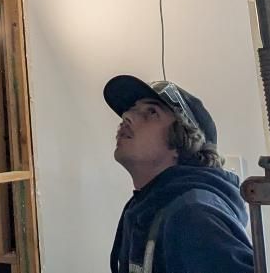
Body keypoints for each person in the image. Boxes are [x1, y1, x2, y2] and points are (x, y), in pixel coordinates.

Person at [105, 75, 255, 273]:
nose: (127, 116)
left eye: (151, 112)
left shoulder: (194, 215)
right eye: (130, 109)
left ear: (183, 140)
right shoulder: (145, 209)